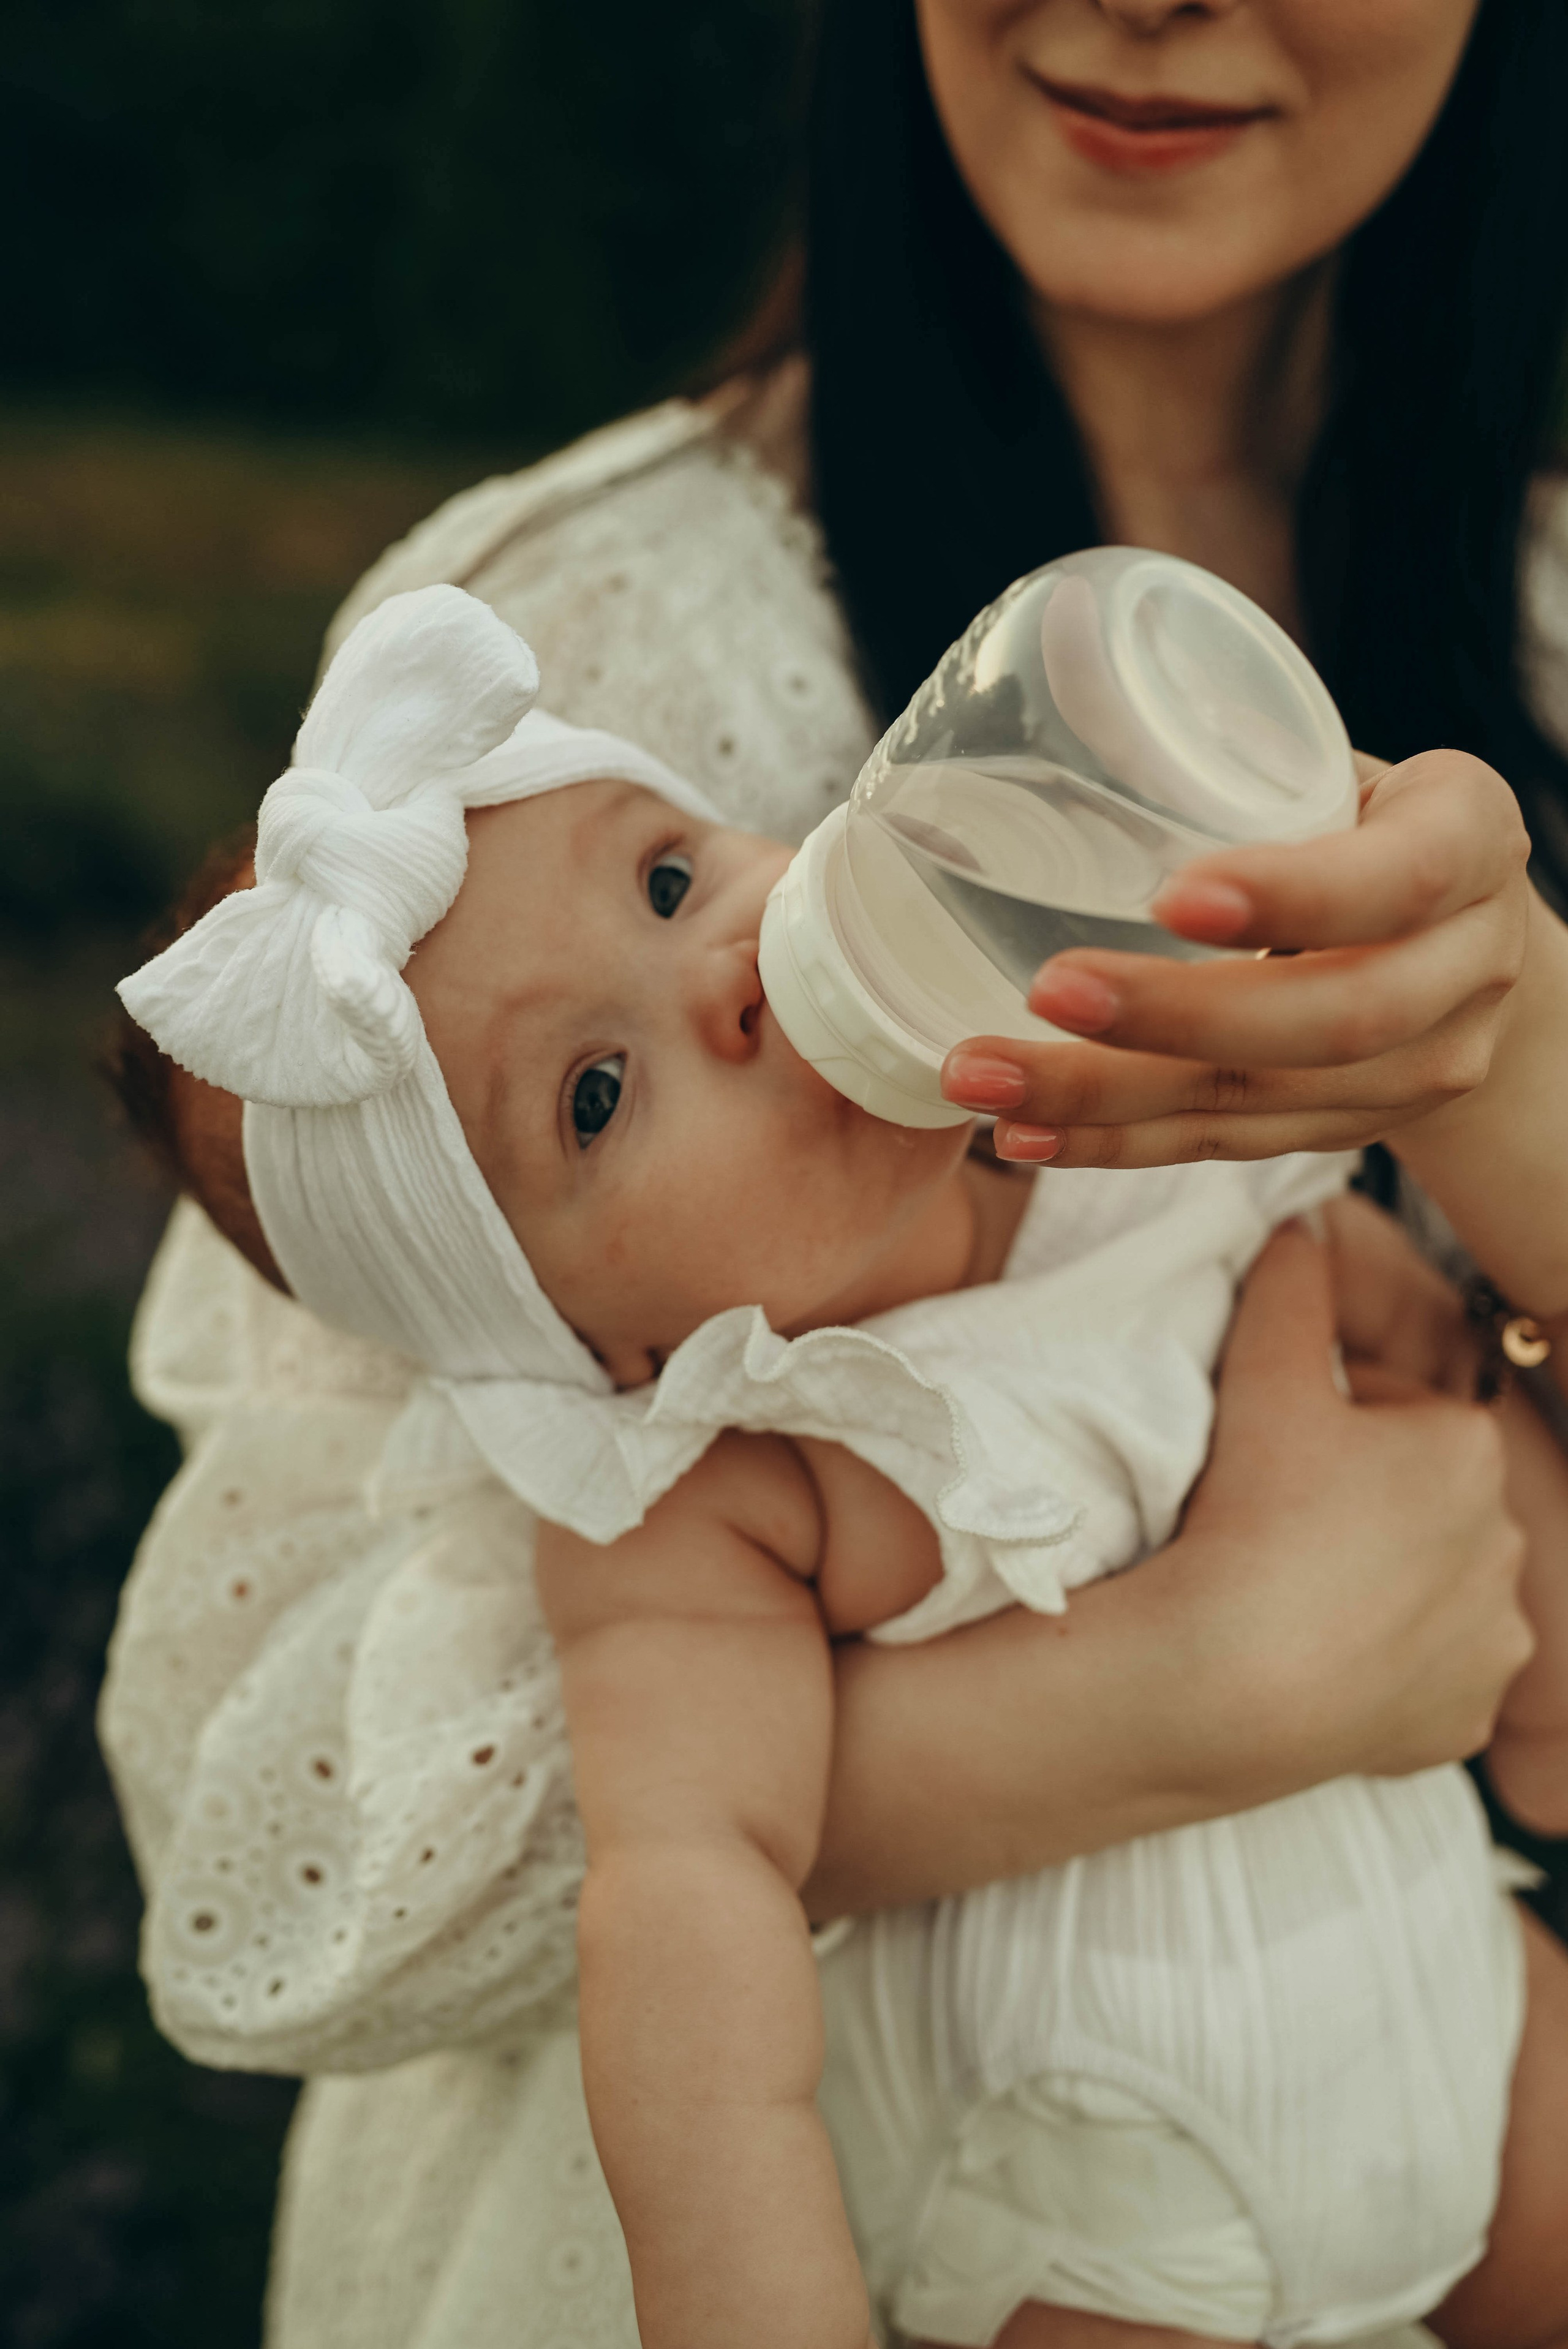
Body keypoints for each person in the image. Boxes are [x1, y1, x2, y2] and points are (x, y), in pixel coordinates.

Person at [97, 2, 1568, 2343]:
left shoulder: (1531, 627)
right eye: (592, 1104)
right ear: (586, 1345)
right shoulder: (536, 682)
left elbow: (1412, 1385)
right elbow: (250, 1845)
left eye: (686, 883)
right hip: (1065, 2187)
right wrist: (1182, 1697)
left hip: (1422, 2009)